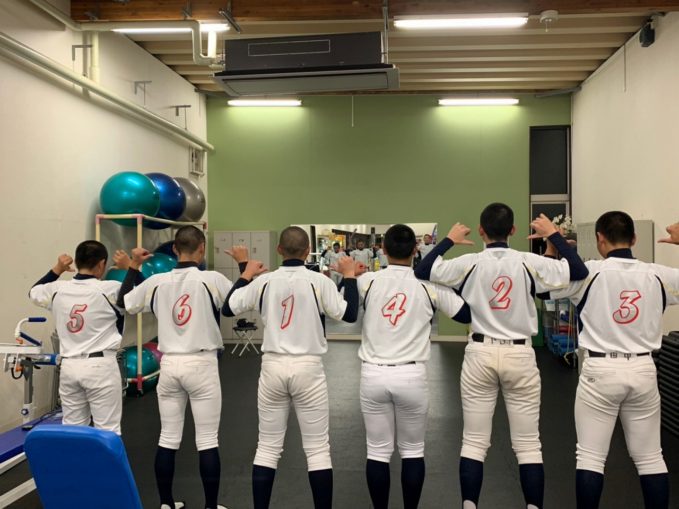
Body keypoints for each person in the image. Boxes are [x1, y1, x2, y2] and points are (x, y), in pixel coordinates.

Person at [414, 203, 588, 509]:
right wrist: (554, 235)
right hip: (519, 354)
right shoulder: (528, 262)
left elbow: (422, 271)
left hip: (480, 353)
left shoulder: (469, 262)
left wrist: (449, 240)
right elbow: (579, 270)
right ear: (513, 230)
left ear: (481, 231)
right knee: (528, 444)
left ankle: (469, 505)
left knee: (474, 442)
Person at [543, 212, 679, 509]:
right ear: (634, 239)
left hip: (600, 370)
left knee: (591, 457)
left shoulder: (588, 273)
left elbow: (544, 285)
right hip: (643, 369)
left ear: (599, 239)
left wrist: (553, 246)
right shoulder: (659, 275)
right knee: (650, 457)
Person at [222, 226, 360, 509]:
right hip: (308, 369)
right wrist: (349, 276)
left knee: (267, 448)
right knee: (318, 450)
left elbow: (228, 307)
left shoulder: (264, 282)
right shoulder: (319, 281)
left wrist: (246, 271)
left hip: (273, 368)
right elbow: (349, 314)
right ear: (308, 251)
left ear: (278, 250)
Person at [357, 224, 471, 509]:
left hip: (373, 374)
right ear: (416, 249)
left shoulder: (367, 281)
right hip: (411, 376)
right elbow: (465, 314)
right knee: (412, 451)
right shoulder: (430, 285)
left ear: (383, 249)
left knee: (377, 452)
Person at [120, 226, 232, 509]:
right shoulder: (211, 279)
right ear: (202, 248)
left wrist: (133, 266)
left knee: (168, 438)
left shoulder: (157, 281)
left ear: (173, 249)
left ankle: (167, 504)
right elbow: (236, 304)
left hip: (169, 364)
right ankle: (210, 506)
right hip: (201, 364)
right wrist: (245, 270)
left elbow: (124, 302)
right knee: (207, 440)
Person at [29, 241, 129, 434]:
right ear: (101, 264)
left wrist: (58, 269)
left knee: (73, 429)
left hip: (69, 367)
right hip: (100, 367)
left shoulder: (57, 289)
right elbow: (147, 295)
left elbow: (33, 291)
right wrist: (130, 268)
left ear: (77, 261)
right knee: (108, 431)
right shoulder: (111, 289)